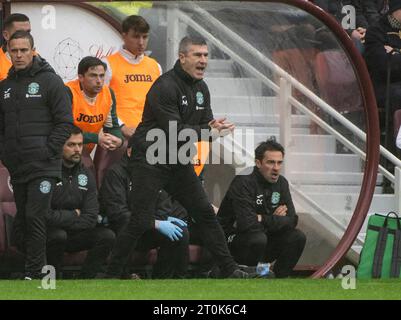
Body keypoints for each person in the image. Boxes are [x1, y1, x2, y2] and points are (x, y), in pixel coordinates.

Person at [106, 35, 249, 279]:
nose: (203, 60)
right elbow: (175, 131)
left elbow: (204, 124)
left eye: (206, 55)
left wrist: (213, 128)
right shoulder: (165, 87)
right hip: (151, 158)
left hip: (177, 158)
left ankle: (230, 269)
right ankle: (110, 275)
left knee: (204, 212)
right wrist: (208, 132)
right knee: (140, 220)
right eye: (197, 55)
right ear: (182, 57)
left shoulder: (201, 88)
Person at [0, 31, 73, 279]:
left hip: (44, 166)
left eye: (23, 50)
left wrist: (48, 151)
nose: (19, 55)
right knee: (24, 219)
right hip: (19, 167)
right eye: (14, 50)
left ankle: (36, 273)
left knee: (35, 215)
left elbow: (65, 122)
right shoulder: (5, 87)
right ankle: (35, 269)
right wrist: (7, 155)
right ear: (8, 52)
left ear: (33, 50)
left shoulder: (51, 82)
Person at [217, 139, 306, 278]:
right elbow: (246, 224)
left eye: (279, 162)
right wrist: (274, 219)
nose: (276, 167)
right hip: (231, 239)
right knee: (257, 239)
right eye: (271, 162)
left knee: (297, 236)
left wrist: (262, 218)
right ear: (258, 163)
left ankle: (277, 277)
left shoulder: (282, 183)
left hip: (262, 235)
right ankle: (243, 273)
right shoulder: (244, 181)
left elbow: (292, 220)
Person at [99, 143, 189, 279]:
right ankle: (124, 276)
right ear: (130, 152)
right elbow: (118, 214)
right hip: (123, 231)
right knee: (127, 227)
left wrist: (159, 221)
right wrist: (154, 223)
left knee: (180, 231)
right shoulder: (116, 173)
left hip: (147, 230)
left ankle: (164, 280)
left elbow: (163, 207)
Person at [46, 126, 115, 279]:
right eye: (71, 145)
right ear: (59, 146)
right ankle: (52, 280)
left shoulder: (86, 174)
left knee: (106, 236)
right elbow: (44, 216)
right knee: (58, 235)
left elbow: (91, 217)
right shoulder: (47, 173)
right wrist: (74, 214)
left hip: (73, 233)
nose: (77, 149)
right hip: (48, 234)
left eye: (80, 144)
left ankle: (85, 281)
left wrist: (67, 219)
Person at [103, 15, 162, 139]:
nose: (141, 42)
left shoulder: (155, 66)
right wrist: (121, 127)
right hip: (120, 136)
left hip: (150, 135)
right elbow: (101, 103)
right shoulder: (107, 64)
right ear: (124, 36)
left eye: (145, 37)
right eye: (136, 37)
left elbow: (161, 103)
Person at [65, 56, 123, 153]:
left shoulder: (108, 93)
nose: (99, 81)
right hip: (65, 148)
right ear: (81, 77)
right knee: (88, 165)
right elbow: (63, 129)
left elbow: (112, 126)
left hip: (86, 149)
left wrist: (119, 140)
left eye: (102, 75)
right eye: (93, 75)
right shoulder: (67, 91)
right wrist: (96, 138)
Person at [365, 0, 401, 114]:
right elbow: (385, 67)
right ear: (396, 9)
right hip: (384, 86)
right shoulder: (376, 31)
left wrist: (396, 54)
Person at [0, 13, 32, 81]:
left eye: (28, 32)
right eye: (20, 32)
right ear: (6, 35)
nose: (25, 36)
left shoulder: (36, 57)